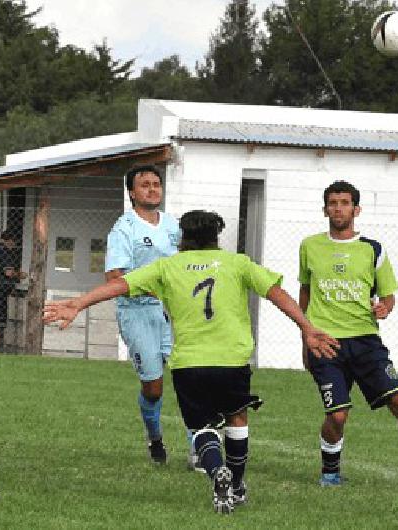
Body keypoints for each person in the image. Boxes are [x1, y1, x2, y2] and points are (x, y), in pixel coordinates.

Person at [44, 210, 339, 515]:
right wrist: (306, 327)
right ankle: (236, 485)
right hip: (232, 360)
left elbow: (120, 286)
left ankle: (216, 474)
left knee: (201, 427)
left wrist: (78, 303)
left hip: (189, 364)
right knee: (237, 420)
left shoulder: (168, 266)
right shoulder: (238, 263)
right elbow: (276, 293)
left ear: (182, 238)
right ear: (216, 237)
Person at [298, 180, 398, 493]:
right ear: (324, 209)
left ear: (356, 209)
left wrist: (384, 308)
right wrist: (306, 336)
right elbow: (305, 293)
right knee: (338, 415)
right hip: (326, 343)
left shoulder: (373, 249)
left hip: (367, 343)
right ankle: (330, 473)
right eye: (333, 203)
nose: (338, 208)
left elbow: (388, 296)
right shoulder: (309, 246)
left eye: (345, 203)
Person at [104, 165, 195, 468]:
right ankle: (154, 437)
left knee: (190, 377)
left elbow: (188, 262)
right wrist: (152, 291)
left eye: (156, 184)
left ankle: (199, 446)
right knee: (153, 388)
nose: (153, 189)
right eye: (145, 185)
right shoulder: (123, 228)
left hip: (175, 313)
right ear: (132, 192)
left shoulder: (173, 226)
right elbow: (115, 276)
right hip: (137, 312)